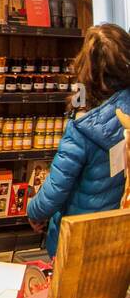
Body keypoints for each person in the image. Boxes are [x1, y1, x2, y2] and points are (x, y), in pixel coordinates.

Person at [27, 23, 130, 258]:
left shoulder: (83, 125)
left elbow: (56, 187)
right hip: (122, 237)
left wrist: (34, 211)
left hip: (81, 239)